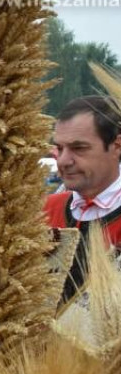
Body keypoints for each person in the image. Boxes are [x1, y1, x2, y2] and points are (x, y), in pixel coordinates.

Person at [45, 95, 121, 301]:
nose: (63, 160)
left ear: (117, 146)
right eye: (59, 148)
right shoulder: (45, 210)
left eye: (79, 148)